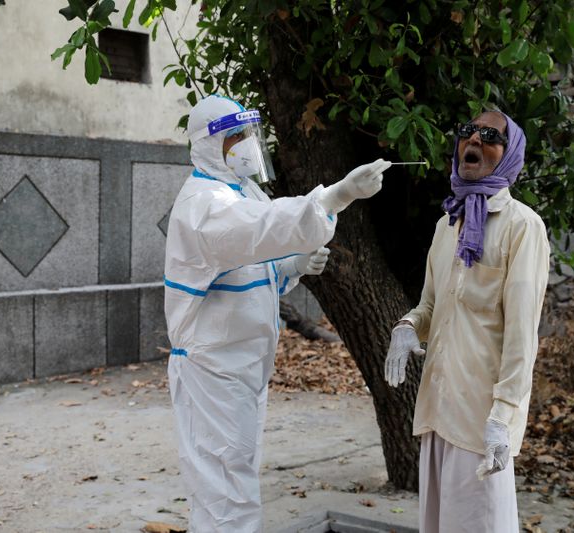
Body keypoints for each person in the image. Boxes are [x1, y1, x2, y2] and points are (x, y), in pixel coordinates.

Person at [164, 94, 390, 532]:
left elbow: (249, 268)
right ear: (211, 144)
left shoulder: (240, 189)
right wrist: (337, 196)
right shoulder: (204, 203)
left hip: (242, 369)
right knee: (224, 496)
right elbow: (259, 228)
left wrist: (292, 266)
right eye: (236, 138)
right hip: (213, 372)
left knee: (235, 481)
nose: (247, 146)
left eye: (249, 136)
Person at [384, 110, 549, 532]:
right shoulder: (447, 224)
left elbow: (521, 336)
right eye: (467, 132)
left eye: (490, 135)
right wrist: (406, 327)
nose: (474, 139)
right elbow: (431, 306)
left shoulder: (522, 227)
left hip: (481, 419)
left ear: (509, 154)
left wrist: (503, 418)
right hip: (439, 411)